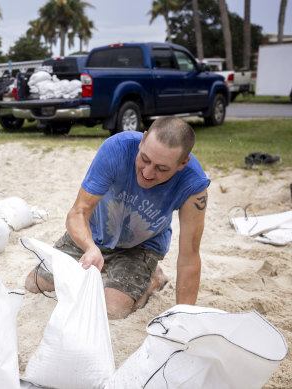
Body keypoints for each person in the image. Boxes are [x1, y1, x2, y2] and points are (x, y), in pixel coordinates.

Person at [25, 117, 210, 320]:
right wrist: (90, 247)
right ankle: (106, 266)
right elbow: (78, 212)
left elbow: (189, 256)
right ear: (143, 140)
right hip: (93, 233)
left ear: (183, 163)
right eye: (145, 159)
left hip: (141, 247)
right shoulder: (117, 148)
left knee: (112, 310)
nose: (148, 173)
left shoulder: (194, 185)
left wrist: (183, 317)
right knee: (34, 283)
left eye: (162, 168)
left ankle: (153, 280)